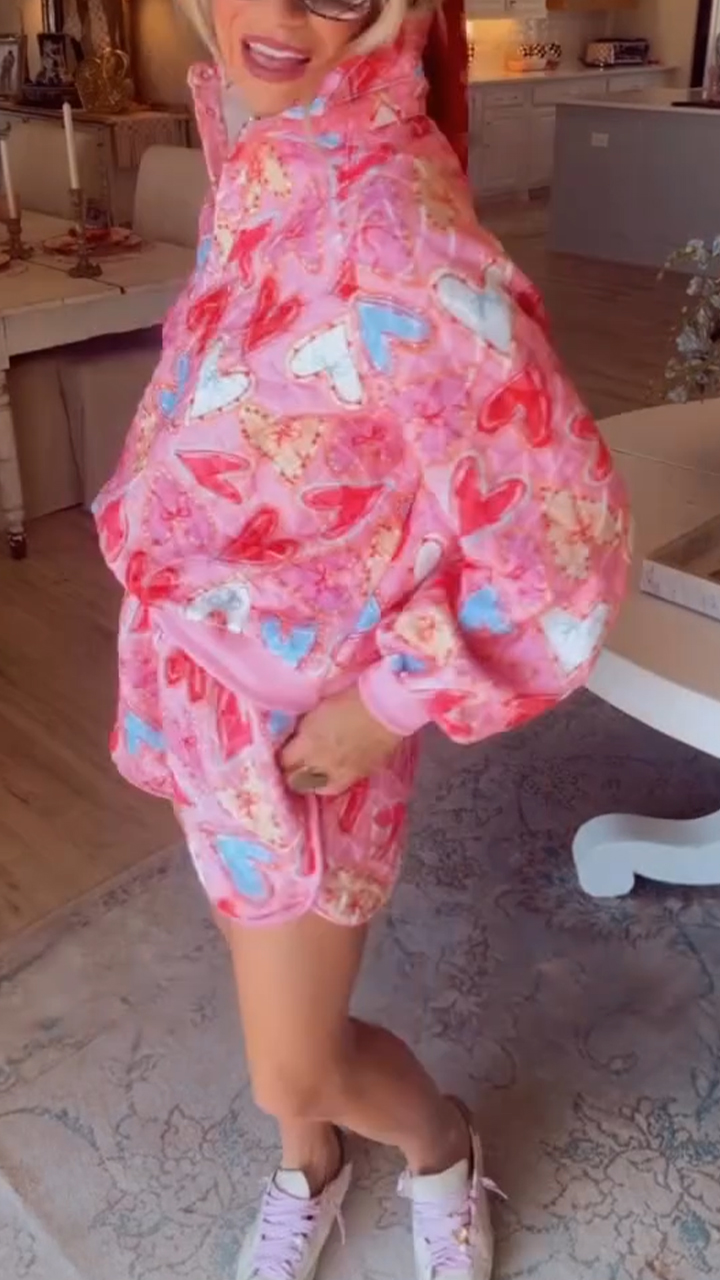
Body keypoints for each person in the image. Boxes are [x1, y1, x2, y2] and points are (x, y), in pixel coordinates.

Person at [93, 1, 630, 1277]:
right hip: (197, 673)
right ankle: (312, 1161)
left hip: (303, 719)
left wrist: (387, 701)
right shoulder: (260, 123)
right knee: (265, 981)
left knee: (292, 1058)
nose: (282, 12)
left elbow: (566, 546)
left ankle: (437, 1140)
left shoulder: (392, 225)